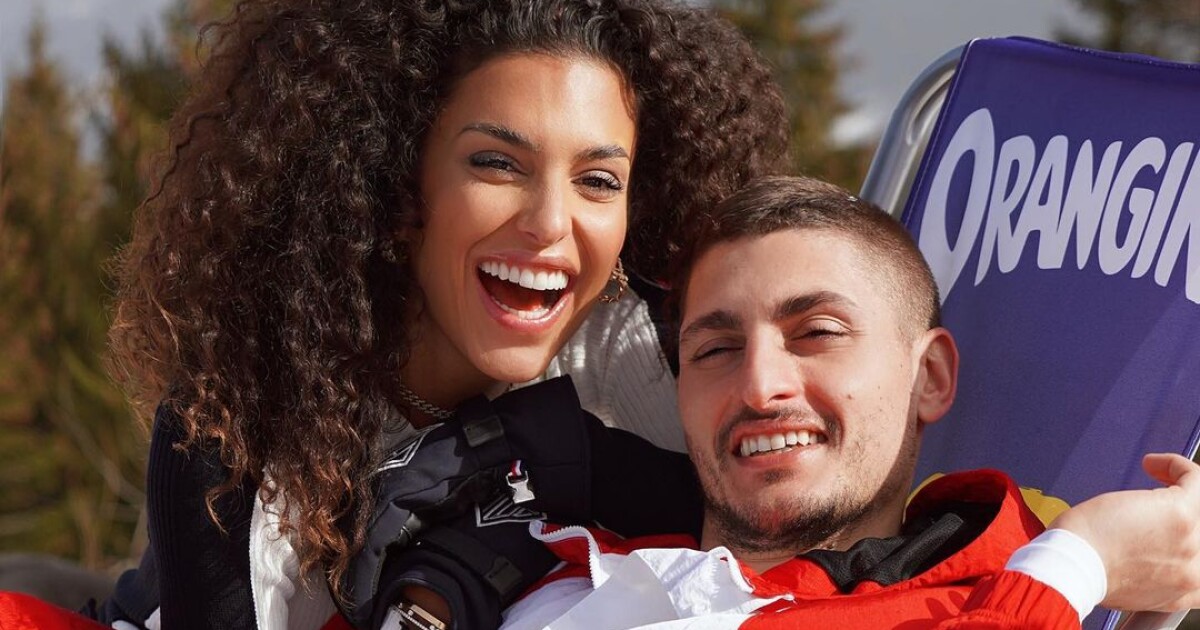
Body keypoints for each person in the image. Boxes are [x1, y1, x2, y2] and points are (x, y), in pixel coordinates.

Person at [90, 0, 789, 628]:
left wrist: (546, 460)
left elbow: (786, 521)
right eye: (496, 163)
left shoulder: (636, 336)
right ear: (398, 187)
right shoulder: (236, 427)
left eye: (598, 180)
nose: (551, 222)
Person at [493, 176, 1200, 628]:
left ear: (929, 377)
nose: (759, 386)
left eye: (818, 333)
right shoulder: (546, 567)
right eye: (714, 349)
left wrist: (1074, 565)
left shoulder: (976, 606)